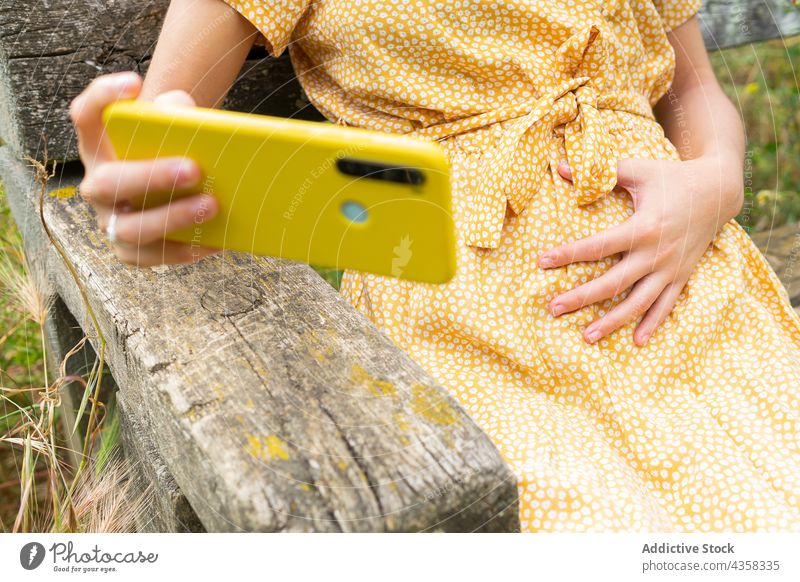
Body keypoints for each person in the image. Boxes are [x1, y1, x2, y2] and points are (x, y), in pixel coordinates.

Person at [69, 0, 800, 531]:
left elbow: (695, 92)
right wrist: (143, 190)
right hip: (469, 315)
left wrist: (715, 184)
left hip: (693, 297)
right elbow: (160, 142)